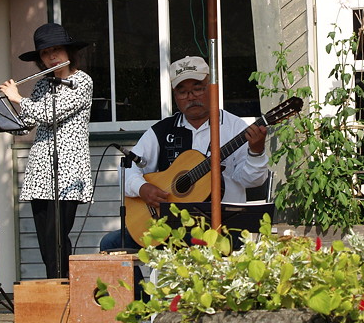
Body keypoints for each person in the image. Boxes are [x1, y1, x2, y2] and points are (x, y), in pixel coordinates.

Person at [99, 55, 269, 252]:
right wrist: (142, 188)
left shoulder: (235, 128)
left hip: (222, 228)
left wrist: (256, 151)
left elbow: (252, 180)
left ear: (212, 88)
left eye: (198, 88)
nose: (191, 96)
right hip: (169, 227)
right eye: (183, 91)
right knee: (110, 245)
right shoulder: (162, 131)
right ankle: (139, 285)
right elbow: (127, 169)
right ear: (175, 95)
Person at [0, 23, 94, 279]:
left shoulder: (82, 82)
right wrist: (0, 115)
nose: (52, 56)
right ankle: (54, 289)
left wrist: (17, 98)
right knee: (46, 242)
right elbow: (27, 124)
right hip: (41, 170)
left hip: (68, 170)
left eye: (57, 50)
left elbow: (48, 114)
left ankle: (63, 290)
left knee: (58, 238)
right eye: (45, 53)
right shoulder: (43, 85)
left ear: (68, 52)